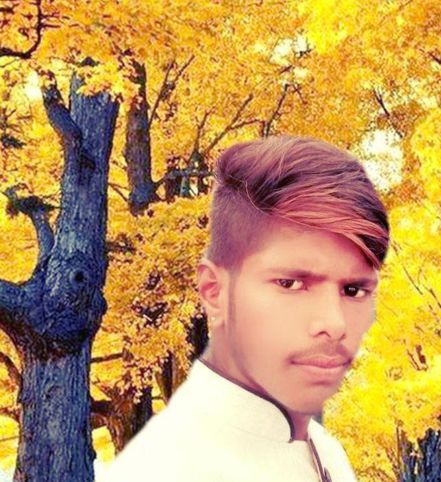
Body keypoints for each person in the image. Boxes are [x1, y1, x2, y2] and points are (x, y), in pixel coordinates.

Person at [97, 135, 389, 481]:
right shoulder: (164, 469)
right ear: (215, 292)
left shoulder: (325, 452)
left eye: (353, 290)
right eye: (291, 283)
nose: (334, 323)